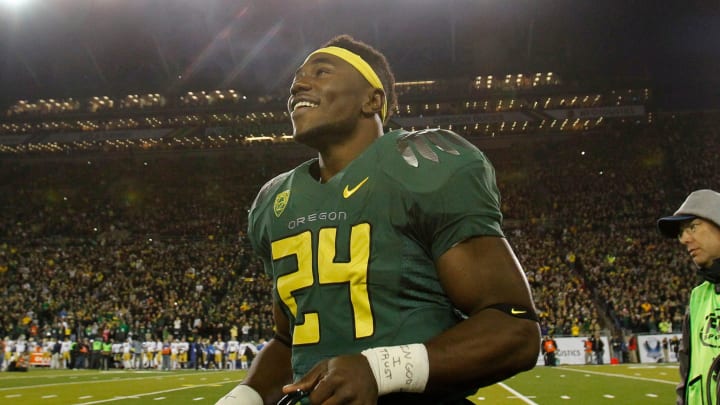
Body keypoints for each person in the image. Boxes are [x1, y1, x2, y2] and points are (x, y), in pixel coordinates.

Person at [216, 34, 540, 405]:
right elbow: (288, 340)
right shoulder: (276, 201)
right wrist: (246, 395)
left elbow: (513, 328)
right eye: (296, 79)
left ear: (373, 99)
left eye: (320, 71)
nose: (299, 84)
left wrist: (381, 369)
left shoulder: (422, 163)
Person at [657, 189, 720, 405]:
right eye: (681, 232)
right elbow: (688, 374)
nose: (684, 239)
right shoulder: (698, 296)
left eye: (692, 227)